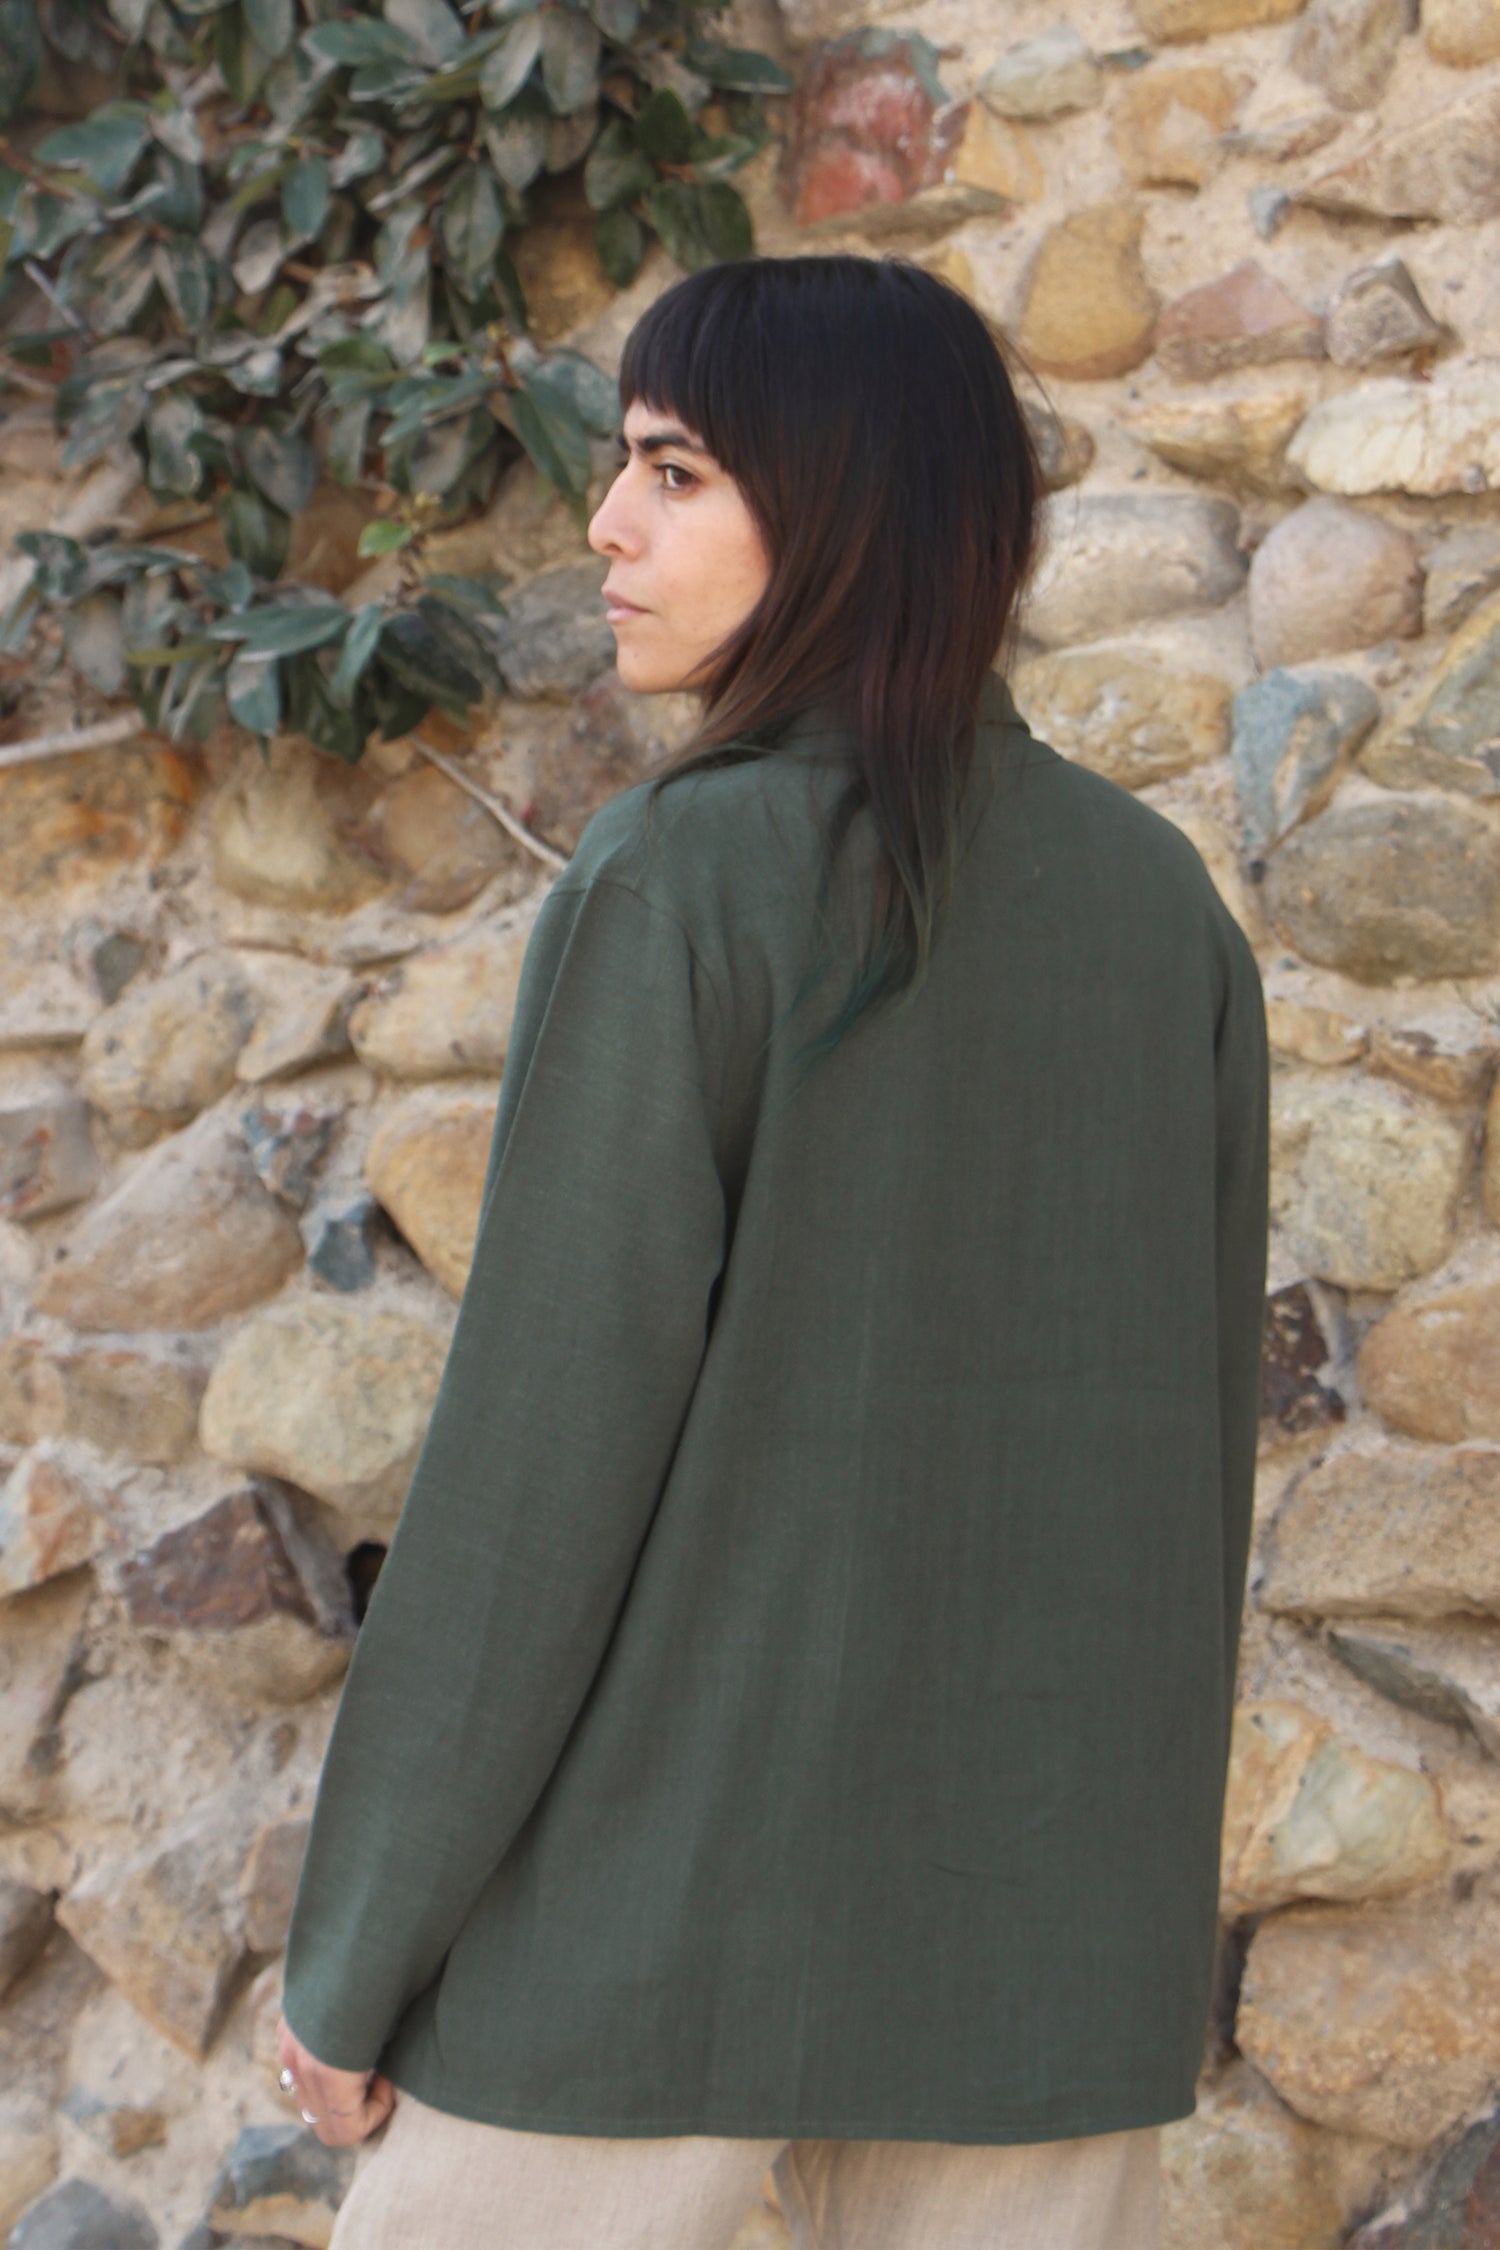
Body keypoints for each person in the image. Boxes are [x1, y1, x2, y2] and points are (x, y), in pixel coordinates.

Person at [276, 253, 1270, 2250]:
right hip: (1039, 1953)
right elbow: (1192, 1477)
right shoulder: (1163, 912)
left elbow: (539, 1470)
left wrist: (357, 1952)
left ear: (844, 507)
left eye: (676, 472)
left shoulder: (683, 880)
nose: (605, 524)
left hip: (651, 1938)